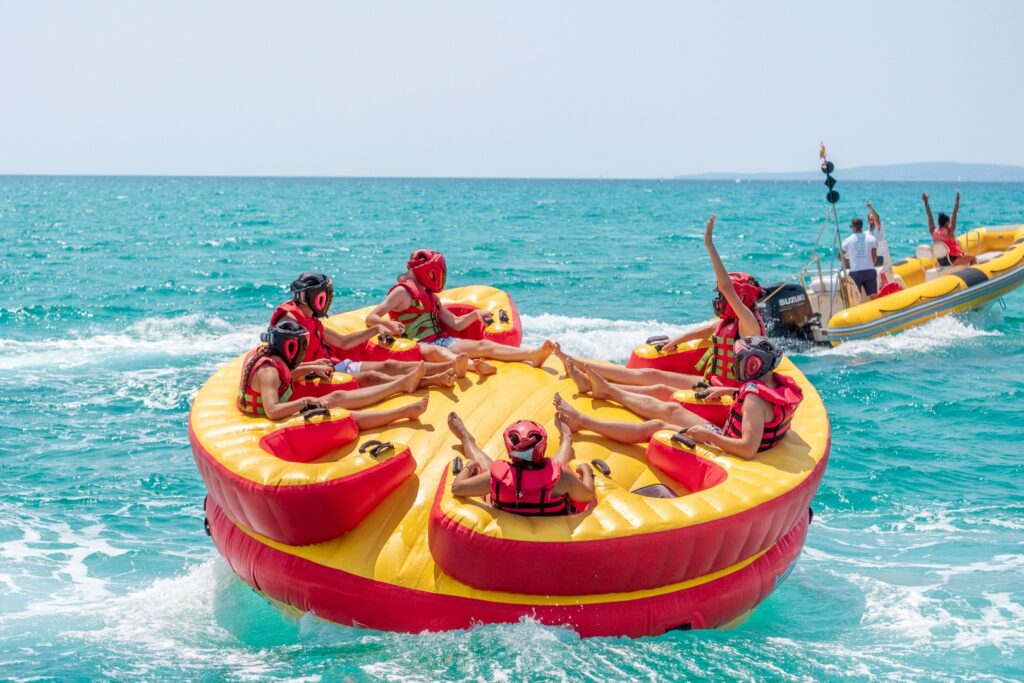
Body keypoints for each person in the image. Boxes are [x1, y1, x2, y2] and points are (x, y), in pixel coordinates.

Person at [553, 214, 765, 398]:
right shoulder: (732, 322)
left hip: (728, 392)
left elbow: (727, 287)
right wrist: (677, 340)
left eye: (723, 296)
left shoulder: (749, 326)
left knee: (660, 388)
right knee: (651, 375)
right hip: (713, 381)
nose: (720, 299)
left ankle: (591, 386)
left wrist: (709, 245)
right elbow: (709, 330)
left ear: (740, 299)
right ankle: (576, 363)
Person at [553, 336, 803, 460]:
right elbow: (763, 408)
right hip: (725, 434)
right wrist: (730, 391)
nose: (736, 365)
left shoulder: (753, 401)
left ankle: (583, 422)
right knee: (669, 409)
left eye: (740, 360)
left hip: (725, 444)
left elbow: (747, 450)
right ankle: (608, 391)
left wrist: (709, 436)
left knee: (657, 425)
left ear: (753, 364)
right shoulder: (773, 385)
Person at [365, 250, 556, 372]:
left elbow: (455, 323)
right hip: (417, 346)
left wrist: (475, 315)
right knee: (436, 351)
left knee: (483, 345)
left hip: (441, 340)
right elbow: (371, 318)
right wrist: (388, 324)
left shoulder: (431, 297)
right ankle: (473, 366)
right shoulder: (401, 292)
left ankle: (532, 354)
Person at [272, 272, 465, 388]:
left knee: (389, 365)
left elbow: (343, 342)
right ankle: (432, 379)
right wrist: (313, 367)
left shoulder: (309, 318)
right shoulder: (289, 320)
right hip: (316, 375)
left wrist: (376, 329)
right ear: (317, 298)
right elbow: (283, 365)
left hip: (333, 366)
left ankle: (451, 366)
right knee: (374, 377)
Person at [237, 321, 433, 419]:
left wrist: (311, 367)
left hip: (279, 406)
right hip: (271, 422)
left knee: (338, 396)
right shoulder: (268, 372)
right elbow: (272, 411)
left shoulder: (268, 355)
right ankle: (401, 409)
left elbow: (285, 375)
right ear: (289, 347)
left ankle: (401, 385)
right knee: (339, 408)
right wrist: (305, 402)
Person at [447, 412, 595, 515]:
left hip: (506, 510)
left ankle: (466, 438)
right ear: (543, 447)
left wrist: (469, 467)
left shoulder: (494, 479)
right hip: (551, 521)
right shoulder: (563, 478)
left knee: (486, 467)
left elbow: (457, 488)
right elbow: (587, 495)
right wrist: (586, 471)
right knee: (556, 468)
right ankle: (567, 436)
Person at [923, 192, 976, 266]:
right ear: (947, 222)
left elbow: (929, 216)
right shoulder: (949, 232)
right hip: (952, 260)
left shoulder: (933, 231)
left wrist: (926, 202)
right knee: (973, 258)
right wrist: (957, 202)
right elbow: (954, 214)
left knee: (963, 254)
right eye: (949, 222)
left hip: (940, 261)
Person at [841, 218, 879, 299]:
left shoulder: (848, 240)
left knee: (855, 298)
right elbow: (874, 257)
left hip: (856, 273)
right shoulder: (871, 238)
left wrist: (846, 261)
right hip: (869, 271)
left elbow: (839, 255)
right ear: (861, 227)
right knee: (873, 296)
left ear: (854, 227)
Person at [866, 201, 894, 286]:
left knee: (889, 276)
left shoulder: (879, 228)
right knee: (877, 278)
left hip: (884, 257)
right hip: (874, 258)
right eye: (870, 219)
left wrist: (871, 208)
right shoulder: (867, 232)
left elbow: (876, 219)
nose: (871, 220)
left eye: (873, 219)